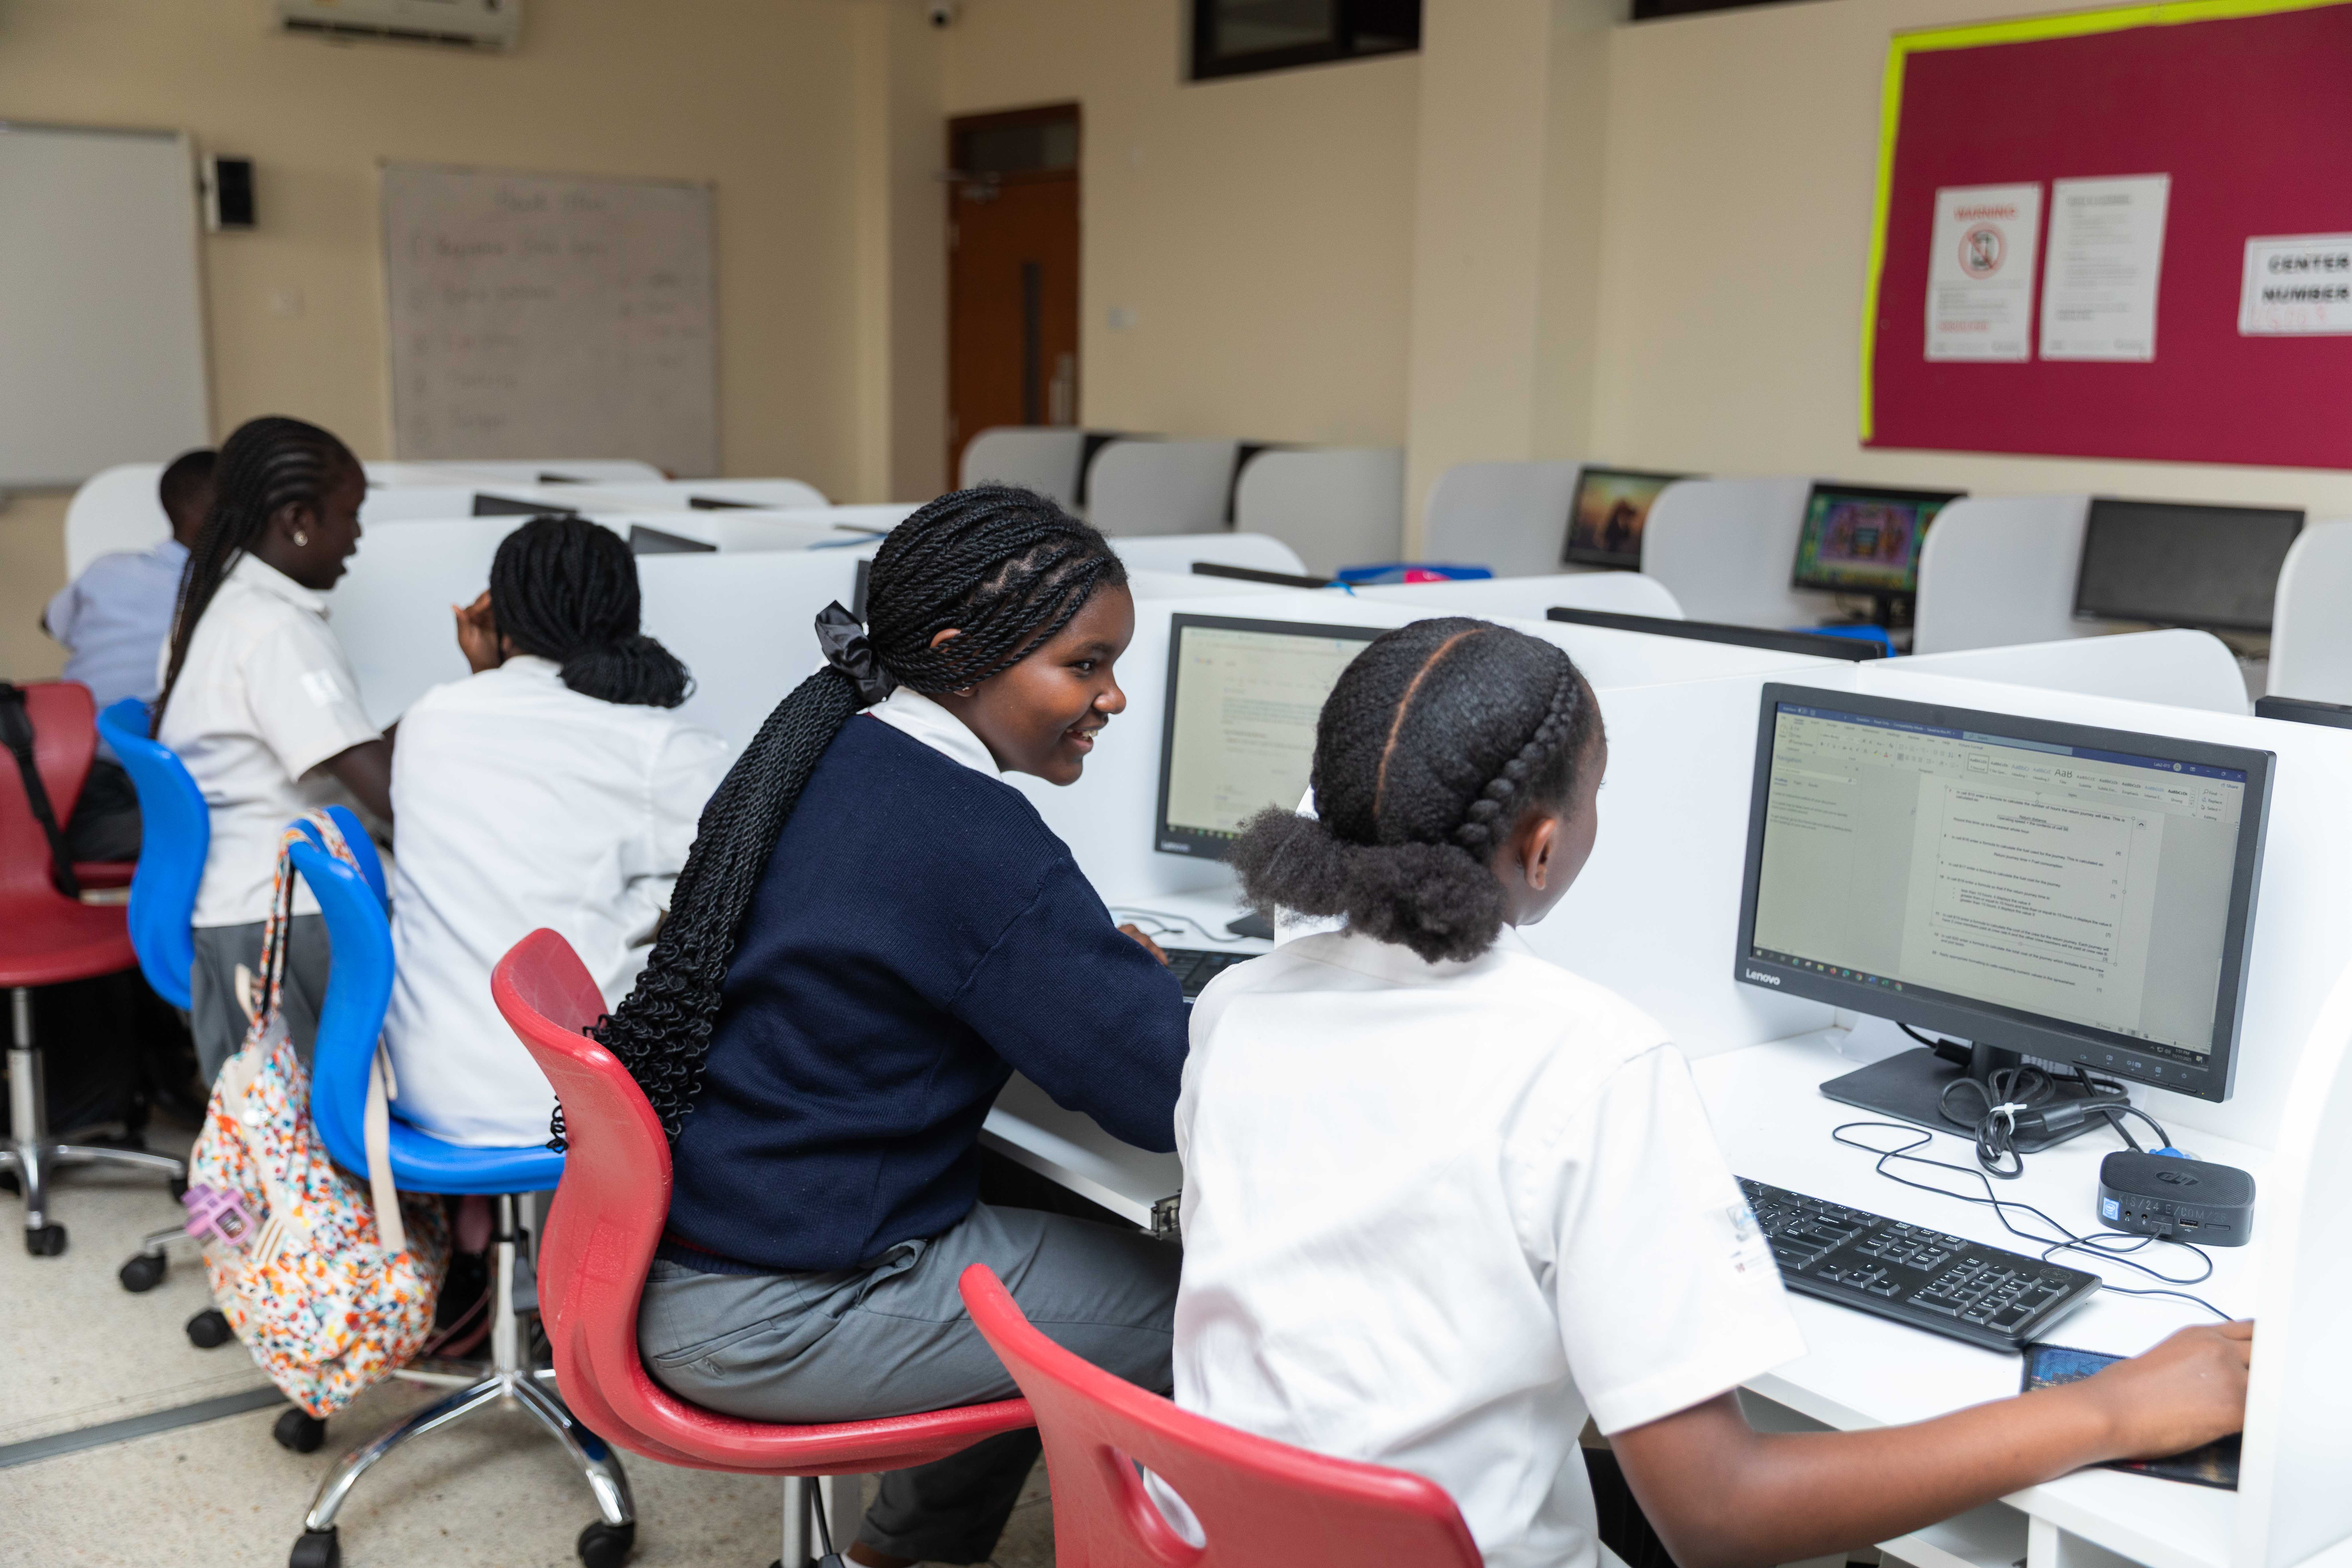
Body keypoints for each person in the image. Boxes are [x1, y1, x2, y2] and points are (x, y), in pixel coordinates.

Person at [1173, 617, 2252, 1568]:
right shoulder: (1587, 1059)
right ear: (1540, 848)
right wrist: (2108, 1404)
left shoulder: (1235, 1008)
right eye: (1597, 793)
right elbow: (1719, 1517)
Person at [604, 487, 1188, 1568]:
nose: (1110, 697)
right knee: (1213, 1314)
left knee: (1025, 1212)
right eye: (1083, 665)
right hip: (780, 1307)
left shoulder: (831, 743)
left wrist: (1072, 970)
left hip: (702, 1247)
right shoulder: (969, 835)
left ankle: (906, 1551)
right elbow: (1160, 1094)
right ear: (963, 658)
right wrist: (1149, 989)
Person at [381, 516, 728, 1147]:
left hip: (427, 1090)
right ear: (628, 613)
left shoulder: (430, 718)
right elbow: (759, 866)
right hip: (578, 1104)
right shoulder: (658, 749)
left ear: (500, 615)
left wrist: (489, 667)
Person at [155, 417, 392, 1082]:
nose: (358, 536)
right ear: (297, 519)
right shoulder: (277, 630)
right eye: (351, 515)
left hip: (243, 910)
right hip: (286, 922)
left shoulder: (217, 601)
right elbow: (393, 800)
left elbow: (343, 749)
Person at [43, 447, 217, 861]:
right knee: (226, 834)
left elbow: (51, 623)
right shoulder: (223, 593)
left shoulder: (107, 570)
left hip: (63, 773)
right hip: (134, 782)